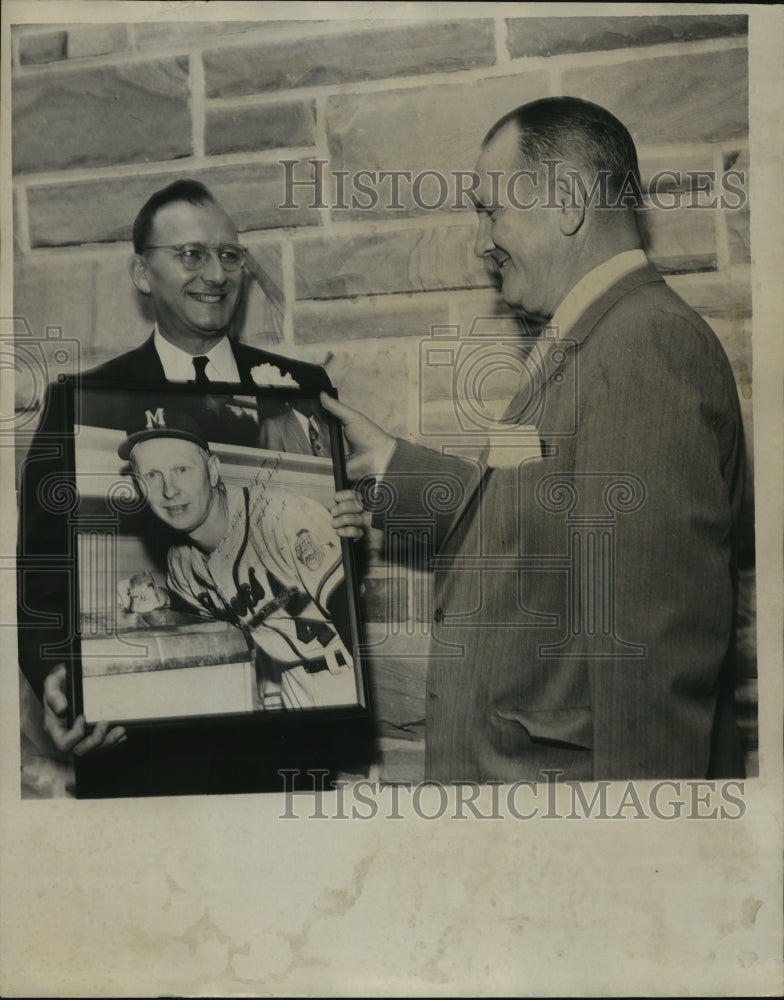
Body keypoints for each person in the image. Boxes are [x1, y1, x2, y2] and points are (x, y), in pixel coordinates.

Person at [324, 96, 749, 782]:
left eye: (491, 209)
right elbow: (547, 520)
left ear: (570, 202)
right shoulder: (600, 337)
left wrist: (647, 868)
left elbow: (647, 661)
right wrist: (394, 466)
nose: (482, 241)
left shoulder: (643, 347)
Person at [16, 179, 336, 761]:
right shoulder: (80, 402)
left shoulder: (302, 392)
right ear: (142, 274)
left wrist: (352, 521)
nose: (215, 274)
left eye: (229, 255)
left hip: (283, 751)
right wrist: (58, 684)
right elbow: (41, 582)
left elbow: (329, 576)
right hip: (137, 751)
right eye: (191, 254)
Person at [119, 407, 357, 710]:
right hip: (293, 685)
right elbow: (202, 615)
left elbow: (352, 617)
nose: (169, 490)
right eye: (152, 475)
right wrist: (164, 600)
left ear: (213, 470)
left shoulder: (281, 516)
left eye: (181, 469)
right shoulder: (181, 562)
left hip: (347, 675)